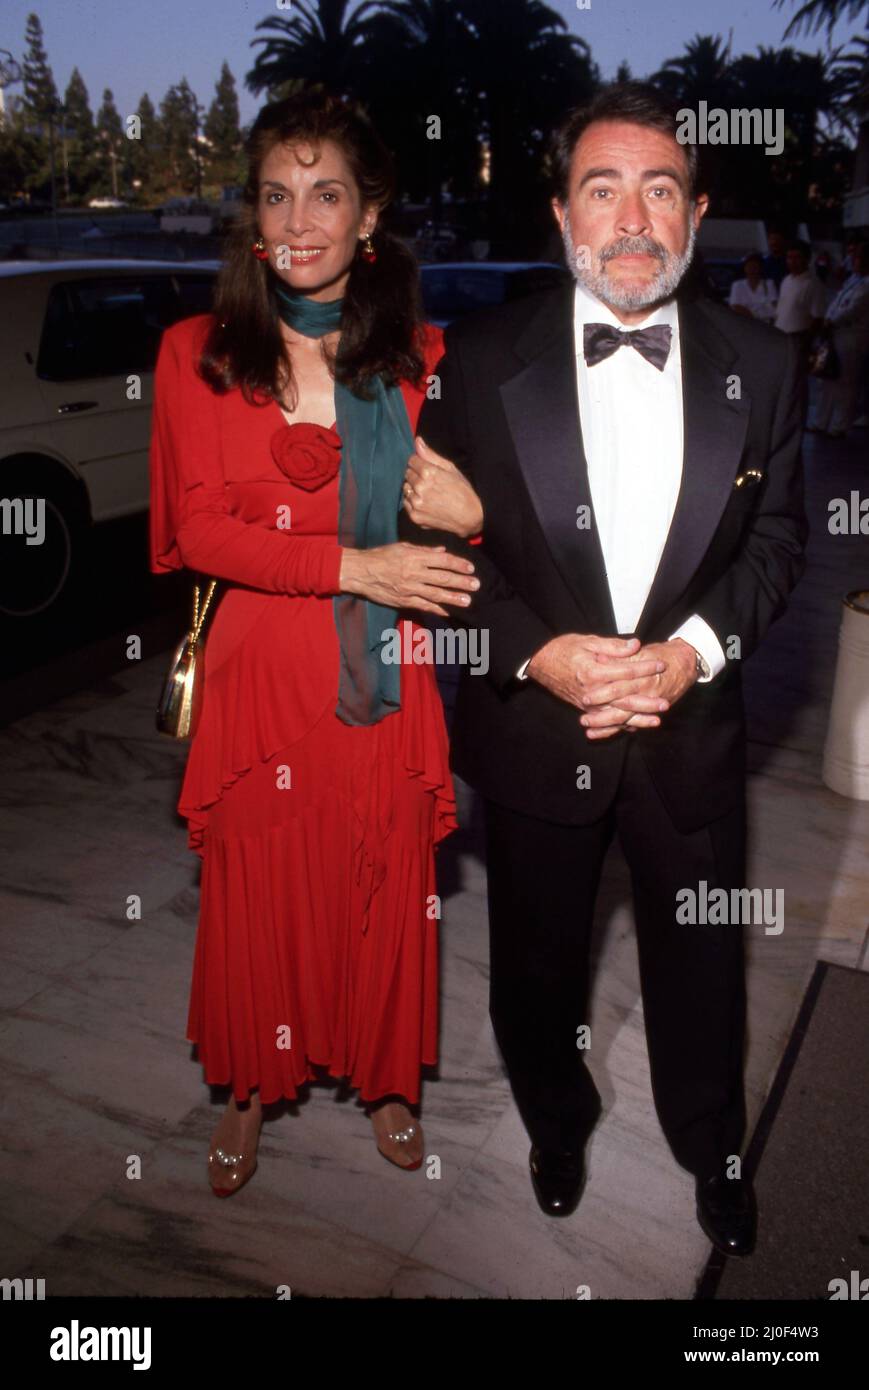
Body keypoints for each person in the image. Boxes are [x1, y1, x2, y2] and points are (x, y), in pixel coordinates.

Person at [400, 81, 807, 1258]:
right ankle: (554, 1124)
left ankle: (708, 1148)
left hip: (690, 743)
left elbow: (781, 545)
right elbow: (430, 550)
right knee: (533, 968)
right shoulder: (474, 361)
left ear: (694, 212)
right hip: (534, 739)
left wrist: (686, 657)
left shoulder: (764, 366)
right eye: (601, 188)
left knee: (701, 964)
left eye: (659, 189)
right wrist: (537, 654)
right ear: (560, 215)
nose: (631, 217)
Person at [148, 91, 480, 1196]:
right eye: (276, 194)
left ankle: (386, 1074)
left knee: (381, 878)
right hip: (259, 682)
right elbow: (200, 529)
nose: (298, 219)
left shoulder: (419, 360)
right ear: (250, 213)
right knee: (260, 890)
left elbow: (482, 520)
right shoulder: (196, 353)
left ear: (367, 214)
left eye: (324, 194)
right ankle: (248, 1085)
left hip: (385, 679)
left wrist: (466, 512)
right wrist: (357, 564)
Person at [809, 239, 869, 438]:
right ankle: (820, 420)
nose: (856, 261)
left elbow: (851, 310)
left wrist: (830, 321)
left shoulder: (866, 285)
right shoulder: (853, 280)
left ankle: (839, 424)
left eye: (860, 258)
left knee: (846, 382)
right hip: (835, 333)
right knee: (826, 378)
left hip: (852, 336)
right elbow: (837, 303)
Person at [727, 252, 777, 324]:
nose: (752, 269)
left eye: (755, 266)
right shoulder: (737, 285)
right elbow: (735, 307)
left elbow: (773, 308)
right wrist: (756, 315)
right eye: (749, 266)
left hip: (766, 326)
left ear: (760, 268)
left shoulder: (769, 284)